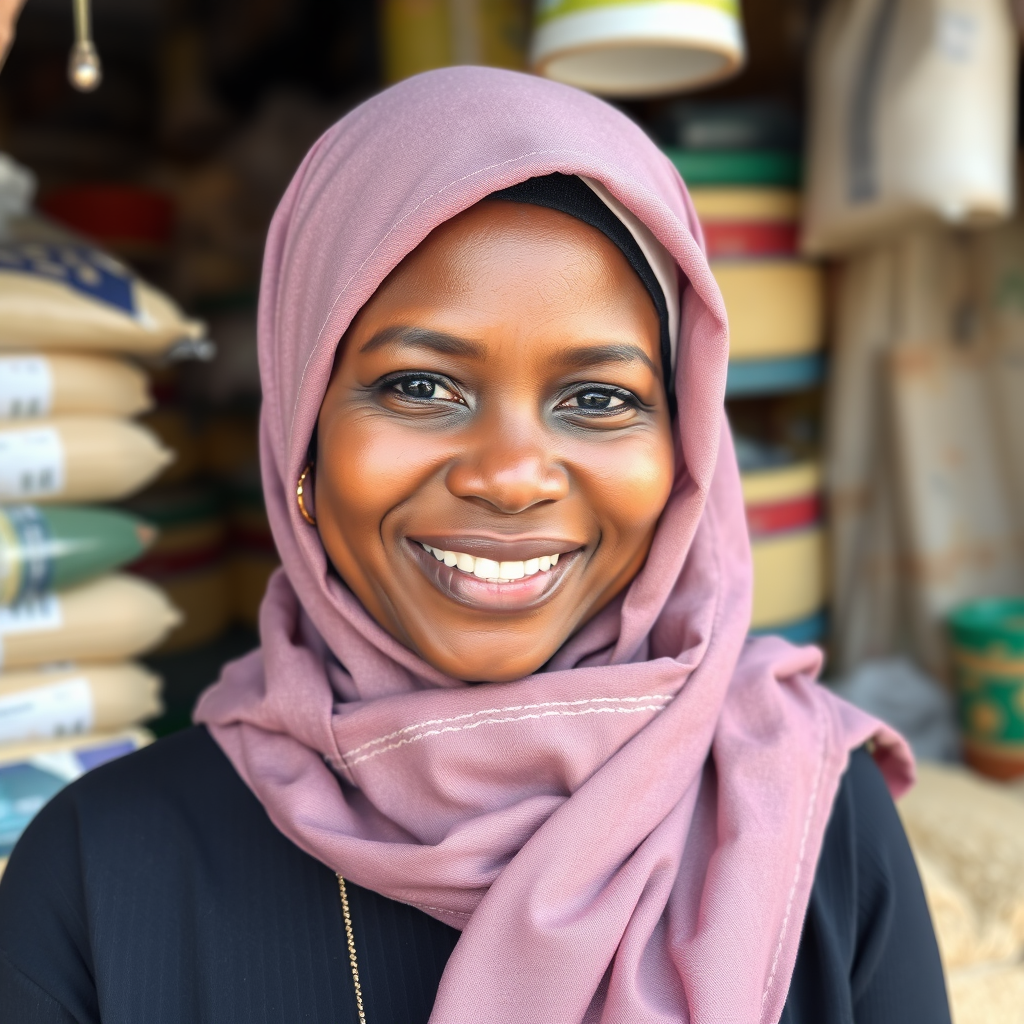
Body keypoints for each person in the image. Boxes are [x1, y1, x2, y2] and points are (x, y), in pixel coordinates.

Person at [0, 67, 950, 1024]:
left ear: (687, 454)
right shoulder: (100, 873)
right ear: (302, 433)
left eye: (600, 399)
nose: (510, 475)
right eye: (421, 387)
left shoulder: (812, 815)